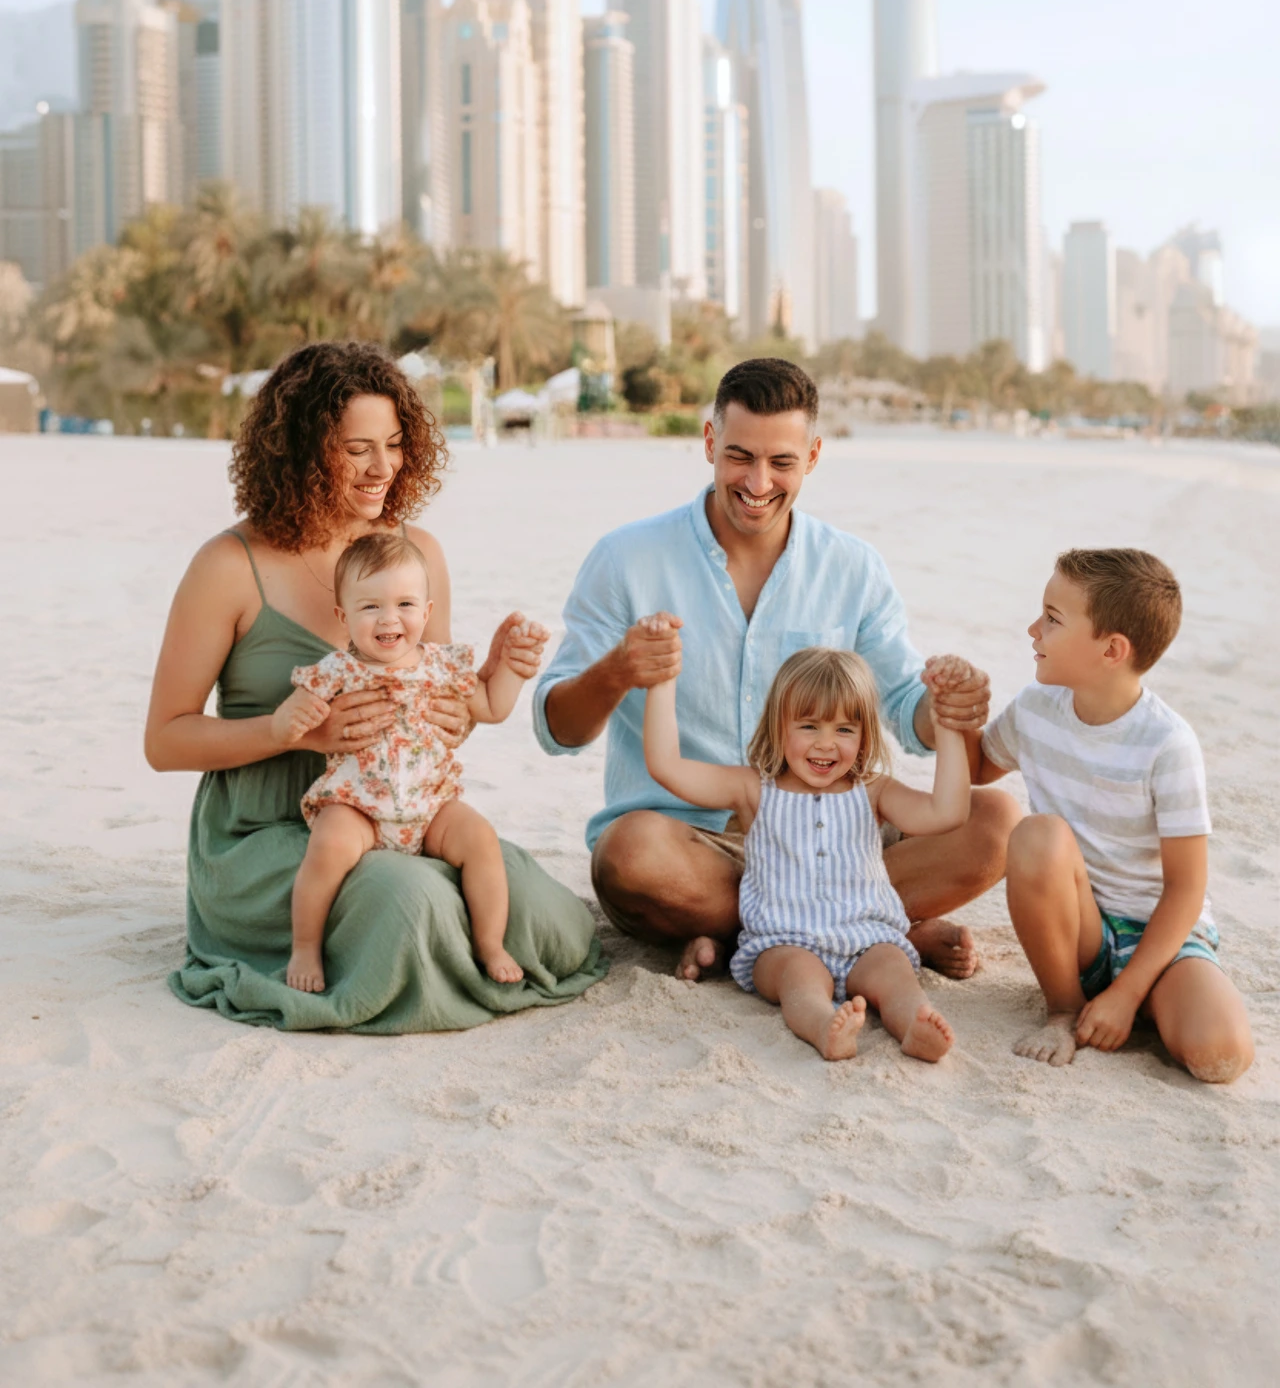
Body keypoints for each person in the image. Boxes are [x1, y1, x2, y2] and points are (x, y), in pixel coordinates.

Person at [146, 339, 607, 1033]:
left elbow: (446, 711)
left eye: (393, 444)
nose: (383, 467)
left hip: (403, 807)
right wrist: (290, 732)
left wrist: (485, 689)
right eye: (357, 449)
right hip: (265, 828)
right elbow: (164, 740)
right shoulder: (228, 565)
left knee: (544, 917)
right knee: (411, 903)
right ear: (300, 453)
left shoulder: (415, 555)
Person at [535, 357, 1020, 981]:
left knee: (999, 824)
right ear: (709, 442)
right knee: (628, 856)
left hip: (837, 842)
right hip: (690, 846)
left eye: (781, 462)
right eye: (739, 456)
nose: (758, 482)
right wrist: (618, 670)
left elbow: (906, 709)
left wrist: (947, 705)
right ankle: (870, 929)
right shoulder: (625, 557)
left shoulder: (853, 567)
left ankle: (744, 934)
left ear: (813, 456)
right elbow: (559, 732)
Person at [972, 547, 1254, 1082]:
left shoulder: (1168, 744)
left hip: (1160, 938)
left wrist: (1127, 993)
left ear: (1112, 649)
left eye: (1052, 619)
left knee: (1221, 1056)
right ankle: (1065, 1009)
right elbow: (978, 767)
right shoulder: (1035, 709)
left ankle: (1145, 999)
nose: (1033, 629)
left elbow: (1186, 889)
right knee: (1036, 835)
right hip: (1081, 932)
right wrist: (951, 709)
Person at [643, 634, 971, 1062]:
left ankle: (914, 1025)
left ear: (864, 735)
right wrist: (662, 680)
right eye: (809, 726)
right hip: (782, 943)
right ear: (779, 725)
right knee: (800, 981)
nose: (826, 743)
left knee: (895, 974)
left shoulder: (873, 790)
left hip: (867, 938)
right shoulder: (753, 788)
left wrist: (947, 723)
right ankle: (823, 1028)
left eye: (844, 729)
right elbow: (667, 767)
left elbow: (947, 813)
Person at [279, 530, 550, 993]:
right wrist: (298, 714)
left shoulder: (442, 665)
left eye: (405, 604)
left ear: (426, 612)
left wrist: (512, 668)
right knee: (328, 845)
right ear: (344, 616)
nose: (389, 618)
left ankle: (489, 943)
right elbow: (294, 717)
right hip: (359, 806)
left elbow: (491, 706)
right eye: (370, 606)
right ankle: (305, 946)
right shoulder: (338, 670)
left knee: (481, 840)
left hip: (431, 806)